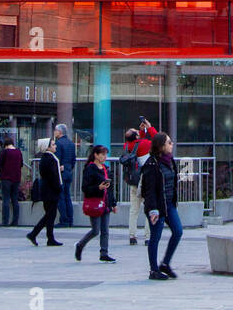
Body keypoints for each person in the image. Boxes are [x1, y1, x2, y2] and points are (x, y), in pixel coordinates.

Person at [140, 132, 183, 280]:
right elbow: (149, 190)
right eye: (169, 142)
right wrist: (153, 209)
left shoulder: (169, 161)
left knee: (178, 231)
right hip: (157, 206)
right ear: (161, 146)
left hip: (169, 203)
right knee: (155, 237)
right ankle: (153, 270)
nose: (172, 145)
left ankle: (165, 263)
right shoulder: (152, 164)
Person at [75, 145, 117, 263]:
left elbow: (110, 188)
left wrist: (113, 203)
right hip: (95, 202)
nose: (105, 157)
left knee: (105, 230)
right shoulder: (90, 169)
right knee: (95, 230)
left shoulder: (105, 168)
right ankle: (80, 245)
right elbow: (85, 188)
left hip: (105, 202)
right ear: (96, 155)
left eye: (105, 154)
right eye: (102, 154)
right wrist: (98, 187)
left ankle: (104, 253)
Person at [122, 118, 158, 246]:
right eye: (136, 131)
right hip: (146, 180)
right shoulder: (145, 144)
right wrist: (149, 127)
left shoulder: (127, 145)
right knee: (149, 208)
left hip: (134, 180)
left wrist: (141, 132)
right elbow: (158, 140)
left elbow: (137, 143)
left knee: (134, 209)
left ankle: (132, 236)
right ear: (136, 136)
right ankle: (147, 237)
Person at [27, 138, 64, 247]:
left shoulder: (45, 158)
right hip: (51, 191)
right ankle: (34, 233)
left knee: (50, 215)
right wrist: (58, 187)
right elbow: (53, 176)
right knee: (49, 215)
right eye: (53, 144)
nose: (55, 146)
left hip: (47, 190)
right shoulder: (50, 159)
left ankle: (49, 238)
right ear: (47, 147)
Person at [53, 124, 77, 227]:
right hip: (68, 172)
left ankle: (64, 220)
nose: (54, 132)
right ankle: (70, 219)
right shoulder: (71, 144)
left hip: (61, 173)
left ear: (60, 132)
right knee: (67, 196)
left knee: (60, 196)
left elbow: (56, 159)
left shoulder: (58, 144)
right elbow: (73, 160)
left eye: (55, 130)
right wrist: (69, 167)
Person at [0, 137, 24, 227]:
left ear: (5, 145)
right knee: (15, 199)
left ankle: (5, 221)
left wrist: (0, 170)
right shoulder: (18, 152)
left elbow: (0, 164)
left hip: (6, 178)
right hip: (16, 178)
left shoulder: (5, 152)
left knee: (6, 200)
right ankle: (15, 221)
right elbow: (21, 164)